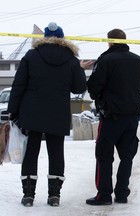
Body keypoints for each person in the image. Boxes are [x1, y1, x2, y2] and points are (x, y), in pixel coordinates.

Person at [7, 22, 93, 207]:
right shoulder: (71, 59)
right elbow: (78, 88)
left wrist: (12, 110)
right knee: (56, 153)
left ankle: (28, 195)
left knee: (31, 152)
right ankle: (54, 196)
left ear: (44, 38)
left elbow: (18, 85)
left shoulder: (31, 56)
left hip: (32, 113)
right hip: (58, 113)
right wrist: (79, 69)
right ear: (62, 38)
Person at [86, 28, 140, 205]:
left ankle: (104, 195)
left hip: (110, 116)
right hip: (131, 117)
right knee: (127, 156)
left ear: (110, 41)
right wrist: (131, 93)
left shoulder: (105, 60)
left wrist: (106, 96)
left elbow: (93, 89)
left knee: (104, 155)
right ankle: (122, 194)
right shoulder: (139, 61)